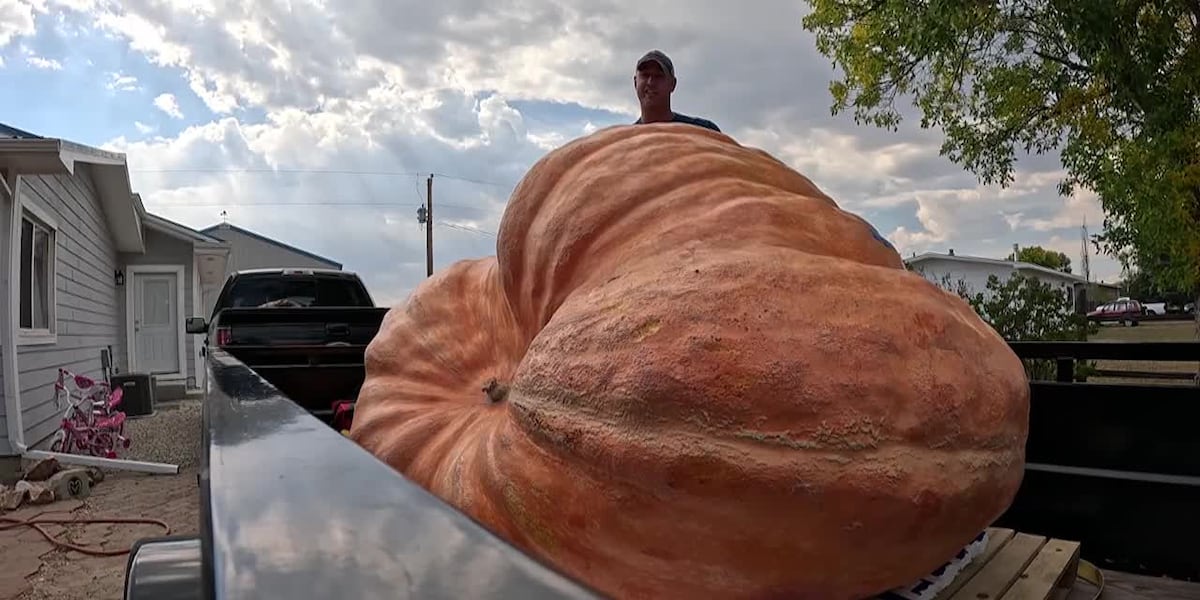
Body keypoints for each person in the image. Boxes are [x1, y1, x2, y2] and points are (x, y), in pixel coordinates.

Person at [632, 50, 721, 132]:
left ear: (673, 84)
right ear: (635, 82)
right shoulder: (623, 142)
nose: (650, 82)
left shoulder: (705, 131)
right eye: (645, 75)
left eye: (659, 76)